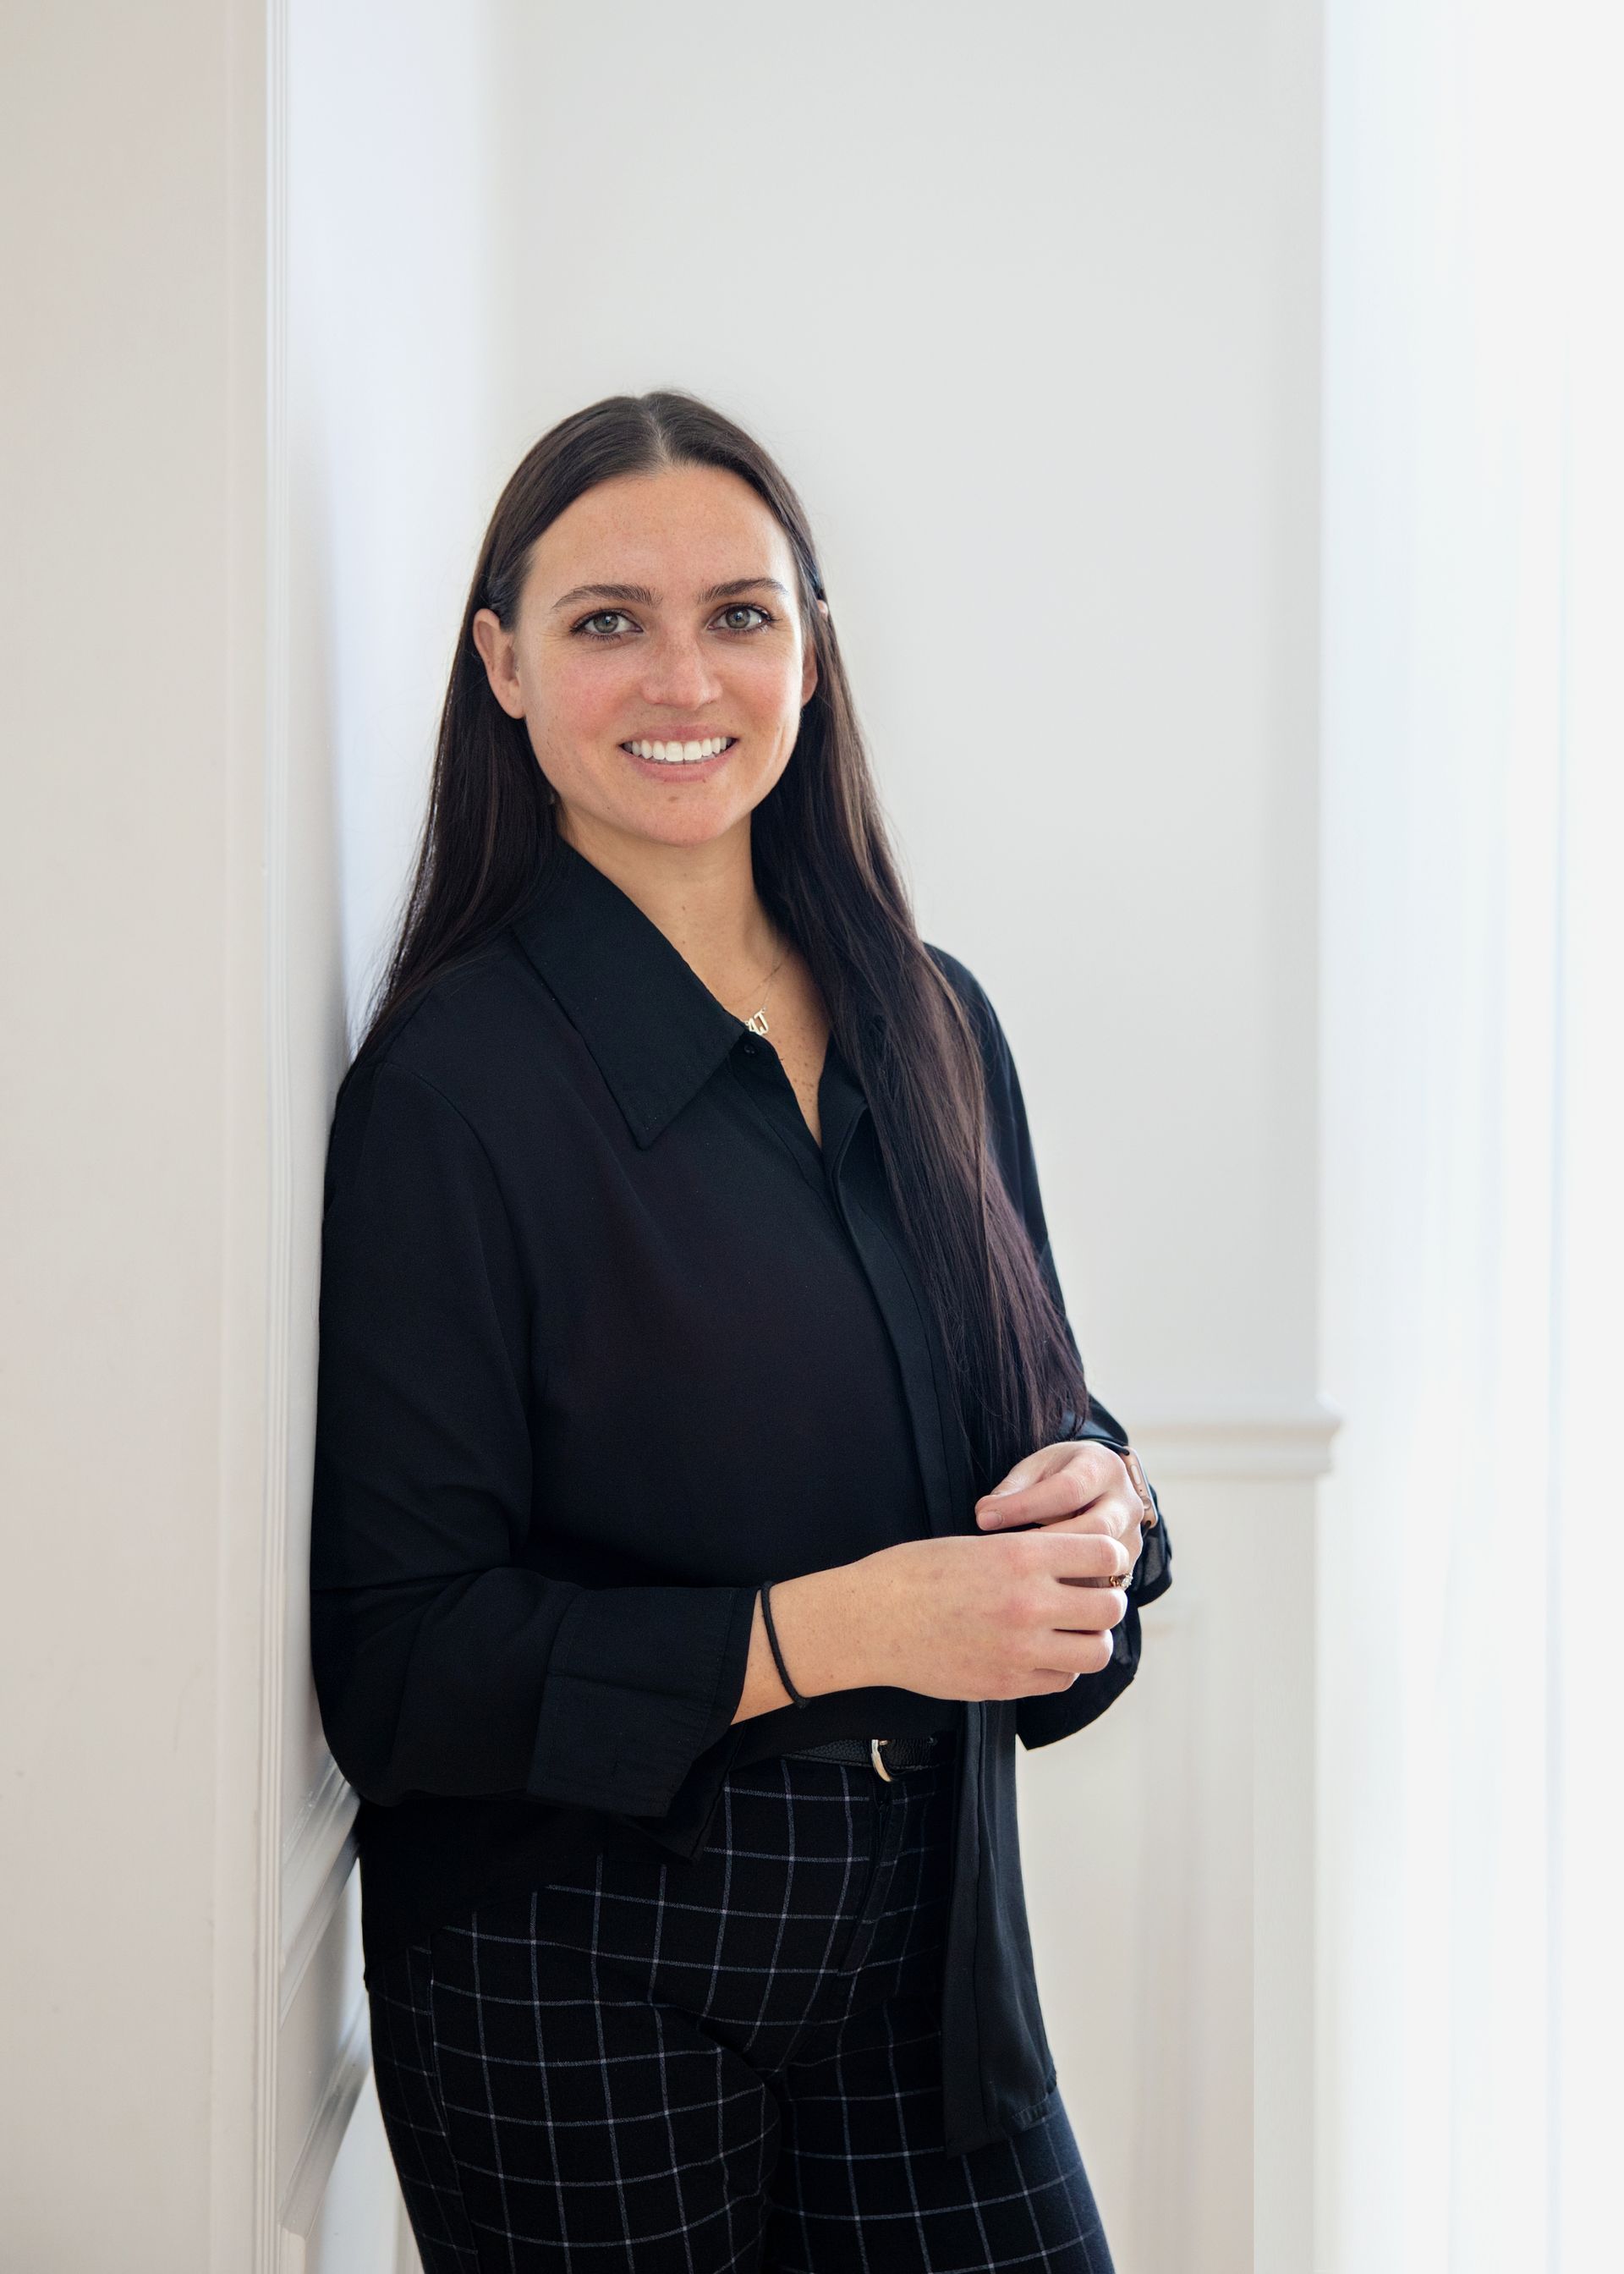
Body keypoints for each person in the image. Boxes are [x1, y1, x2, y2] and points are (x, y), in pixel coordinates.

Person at [310, 389, 1172, 2274]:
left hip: (930, 1951)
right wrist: (846, 1630)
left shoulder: (936, 1023)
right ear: (503, 665)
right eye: (608, 620)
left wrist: (1104, 1507)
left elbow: (1044, 1417)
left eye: (740, 615)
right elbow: (399, 1666)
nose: (682, 677)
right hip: (569, 1975)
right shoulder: (448, 1092)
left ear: (813, 651)